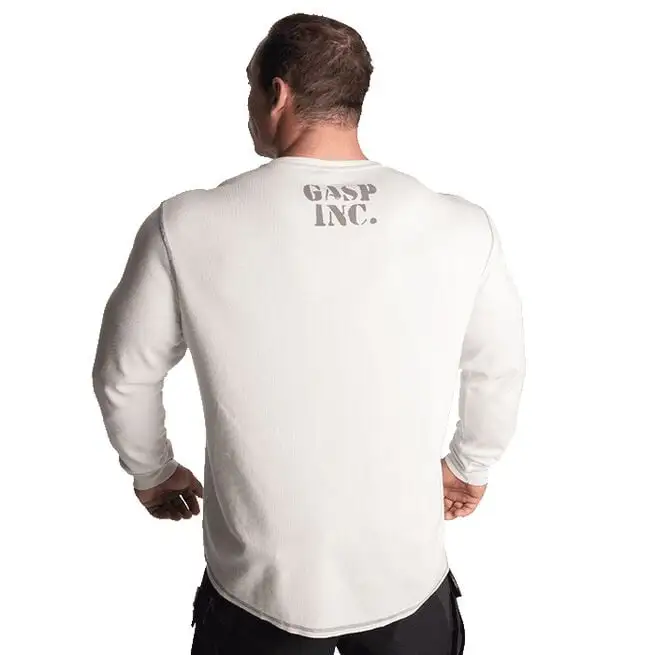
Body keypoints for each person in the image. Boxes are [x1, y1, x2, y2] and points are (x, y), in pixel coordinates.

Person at [91, 12, 526, 655]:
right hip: (403, 577)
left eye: (250, 87)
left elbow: (125, 374)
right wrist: (469, 465)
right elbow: (498, 367)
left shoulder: (185, 223)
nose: (248, 108)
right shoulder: (461, 226)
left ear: (278, 93)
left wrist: (152, 471)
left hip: (257, 587)